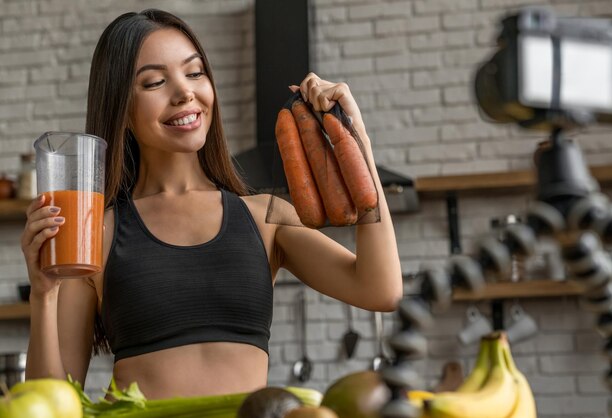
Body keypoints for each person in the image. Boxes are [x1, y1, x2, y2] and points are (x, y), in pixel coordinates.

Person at [20, 9, 402, 399]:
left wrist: (358, 145)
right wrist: (43, 293)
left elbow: (380, 290)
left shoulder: (264, 219)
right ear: (122, 108)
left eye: (195, 72)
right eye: (154, 82)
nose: (184, 91)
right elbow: (51, 402)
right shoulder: (96, 232)